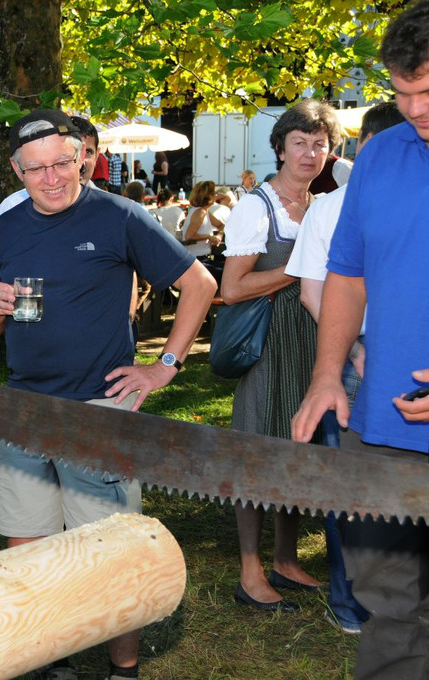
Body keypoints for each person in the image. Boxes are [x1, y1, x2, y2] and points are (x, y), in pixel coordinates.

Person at [0, 109, 216, 680]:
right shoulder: (8, 226)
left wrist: (165, 365)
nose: (52, 177)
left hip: (100, 408)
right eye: (36, 169)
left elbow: (200, 284)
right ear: (17, 171)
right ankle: (47, 657)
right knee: (28, 550)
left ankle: (121, 669)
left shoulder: (118, 215)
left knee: (109, 556)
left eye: (62, 162)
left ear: (82, 156)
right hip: (25, 411)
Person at [291, 3, 429, 675]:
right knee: (390, 605)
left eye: (428, 92)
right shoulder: (379, 156)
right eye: (402, 93)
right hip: (382, 429)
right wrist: (327, 373)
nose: (415, 109)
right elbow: (345, 273)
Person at [284, 101, 405, 636]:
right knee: (353, 485)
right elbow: (315, 292)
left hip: (375, 356)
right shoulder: (332, 209)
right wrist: (353, 351)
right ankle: (357, 603)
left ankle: (360, 603)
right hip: (359, 360)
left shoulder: (333, 206)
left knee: (355, 485)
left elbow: (313, 293)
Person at [220, 98, 341, 612]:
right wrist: (298, 267)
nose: (310, 154)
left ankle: (285, 560)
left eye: (320, 144)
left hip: (313, 340)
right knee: (257, 452)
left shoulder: (323, 205)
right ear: (280, 148)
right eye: (300, 143)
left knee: (299, 449)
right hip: (269, 343)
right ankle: (250, 573)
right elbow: (231, 288)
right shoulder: (257, 207)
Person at [182, 180, 221, 261]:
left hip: (201, 256)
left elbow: (221, 225)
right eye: (214, 193)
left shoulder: (204, 211)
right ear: (208, 196)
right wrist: (209, 237)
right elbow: (189, 236)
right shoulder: (200, 212)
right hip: (197, 257)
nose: (216, 195)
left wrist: (218, 236)